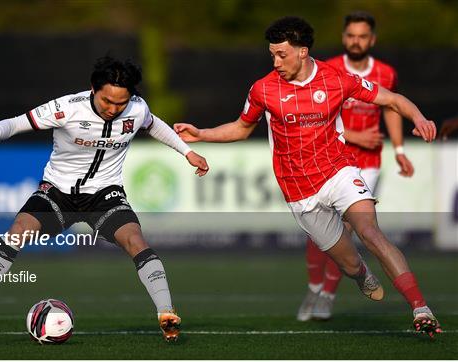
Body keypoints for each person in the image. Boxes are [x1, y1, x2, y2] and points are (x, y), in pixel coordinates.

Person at [174, 16, 441, 338]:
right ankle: (362, 275)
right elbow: (241, 128)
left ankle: (421, 308)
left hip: (338, 170)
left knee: (370, 231)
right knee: (350, 265)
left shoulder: (337, 80)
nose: (275, 62)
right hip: (298, 188)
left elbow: (393, 99)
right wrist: (201, 133)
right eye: (271, 55)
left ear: (302, 51)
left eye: (281, 55)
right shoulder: (263, 89)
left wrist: (420, 117)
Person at [0, 56, 209, 342]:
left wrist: (187, 152)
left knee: (136, 240)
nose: (113, 109)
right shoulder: (66, 108)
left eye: (120, 103)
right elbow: (16, 123)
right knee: (18, 232)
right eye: (107, 101)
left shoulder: (137, 109)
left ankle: (167, 314)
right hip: (58, 193)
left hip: (105, 195)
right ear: (92, 89)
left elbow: (154, 125)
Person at [297, 11, 416, 322]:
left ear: (372, 40)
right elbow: (316, 118)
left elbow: (390, 107)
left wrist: (399, 148)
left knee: (350, 229)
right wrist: (356, 134)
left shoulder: (385, 72)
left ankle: (327, 295)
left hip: (367, 163)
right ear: (343, 37)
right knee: (320, 234)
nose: (356, 41)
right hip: (328, 158)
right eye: (351, 35)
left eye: (362, 36)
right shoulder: (329, 70)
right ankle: (313, 287)